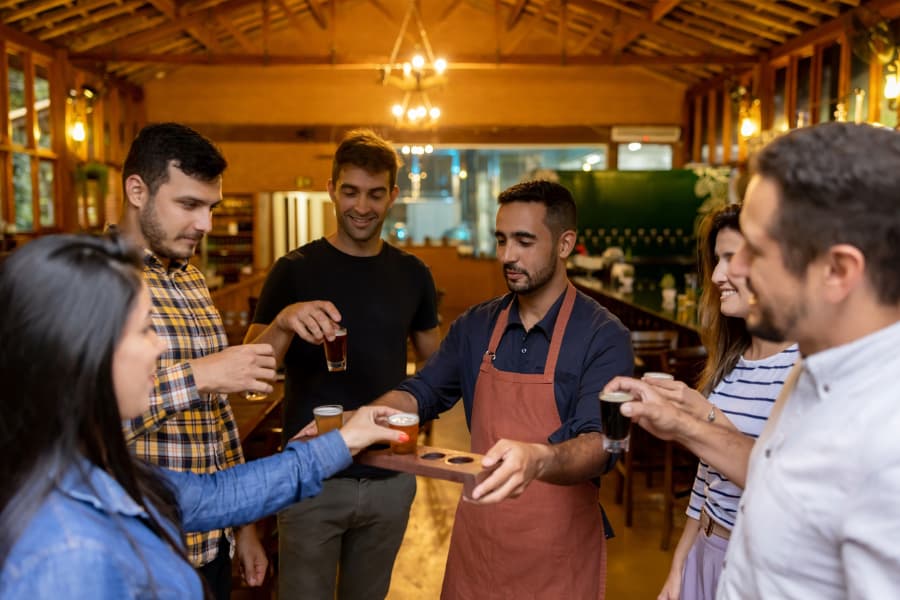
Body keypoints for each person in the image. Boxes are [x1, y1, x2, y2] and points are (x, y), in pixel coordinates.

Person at [0, 234, 410, 599]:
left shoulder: (94, 470)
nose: (160, 347)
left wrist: (346, 439)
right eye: (144, 330)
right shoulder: (66, 552)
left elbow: (220, 495)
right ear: (83, 354)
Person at [606, 122, 900, 598]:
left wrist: (685, 424)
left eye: (757, 251)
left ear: (838, 271)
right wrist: (685, 414)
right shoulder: (810, 375)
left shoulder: (887, 438)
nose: (732, 271)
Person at [350, 179, 634, 598]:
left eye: (524, 241)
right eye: (501, 240)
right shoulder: (476, 326)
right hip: (479, 547)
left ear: (564, 243)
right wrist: (364, 420)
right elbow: (423, 392)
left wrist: (539, 459)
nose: (507, 256)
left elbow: (604, 444)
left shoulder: (603, 336)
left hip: (557, 555)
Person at [245, 129, 440, 600]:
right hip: (311, 479)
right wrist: (288, 322)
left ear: (393, 195)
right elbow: (252, 366)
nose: (362, 206)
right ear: (331, 188)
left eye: (376, 194)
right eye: (350, 191)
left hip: (391, 475)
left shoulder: (414, 274)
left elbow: (437, 365)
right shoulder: (294, 269)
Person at [117, 122, 276, 598]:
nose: (205, 224)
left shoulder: (188, 278)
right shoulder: (95, 278)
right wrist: (201, 373)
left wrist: (243, 525)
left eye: (211, 208)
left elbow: (216, 419)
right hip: (140, 552)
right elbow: (78, 421)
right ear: (137, 190)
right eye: (189, 205)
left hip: (210, 545)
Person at [651, 204, 797, 600]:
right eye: (716, 260)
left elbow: (781, 482)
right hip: (708, 549)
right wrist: (679, 566)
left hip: (758, 564)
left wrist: (701, 418)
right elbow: (707, 477)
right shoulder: (731, 359)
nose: (715, 277)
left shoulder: (804, 368)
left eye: (730, 259)